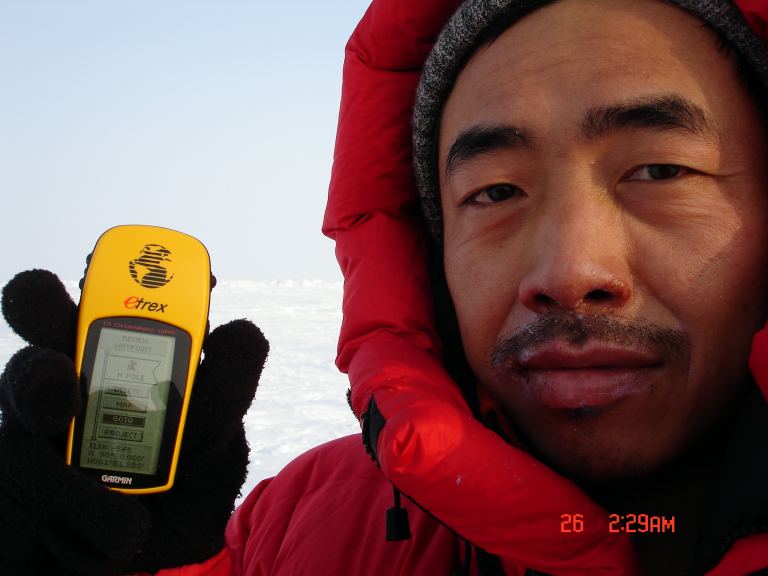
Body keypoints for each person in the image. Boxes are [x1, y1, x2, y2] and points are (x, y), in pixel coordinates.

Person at [2, 0, 768, 574]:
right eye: (496, 192)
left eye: (661, 170)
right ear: (431, 253)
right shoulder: (296, 530)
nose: (568, 272)